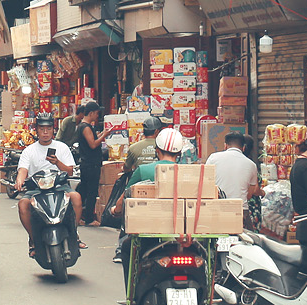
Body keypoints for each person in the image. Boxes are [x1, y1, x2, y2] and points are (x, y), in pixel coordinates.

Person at [112, 127, 188, 265]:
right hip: (183, 233)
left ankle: (132, 280)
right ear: (179, 152)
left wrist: (115, 210)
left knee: (126, 248)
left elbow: (125, 197)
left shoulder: (143, 170)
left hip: (149, 231)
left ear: (157, 150)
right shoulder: (188, 172)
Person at [14, 114, 83, 240]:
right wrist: (19, 181)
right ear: (36, 130)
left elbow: (70, 172)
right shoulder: (29, 151)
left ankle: (74, 234)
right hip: (36, 189)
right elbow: (23, 169)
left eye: (48, 129)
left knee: (76, 198)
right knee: (23, 204)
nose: (45, 132)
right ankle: (33, 239)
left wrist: (57, 163)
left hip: (59, 187)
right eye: (42, 129)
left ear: (53, 130)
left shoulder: (62, 147)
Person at [69, 102, 107, 224]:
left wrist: (102, 134)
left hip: (87, 164)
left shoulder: (84, 126)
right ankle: (89, 219)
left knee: (84, 191)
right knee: (91, 191)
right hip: (91, 164)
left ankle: (78, 216)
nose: (97, 116)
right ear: (91, 113)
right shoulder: (85, 127)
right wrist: (104, 135)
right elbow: (93, 144)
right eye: (96, 113)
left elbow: (92, 140)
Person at [206, 131, 261, 202]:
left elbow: (206, 182)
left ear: (225, 146)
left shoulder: (213, 158)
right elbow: (249, 194)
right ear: (243, 147)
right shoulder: (252, 165)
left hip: (218, 205)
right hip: (241, 207)